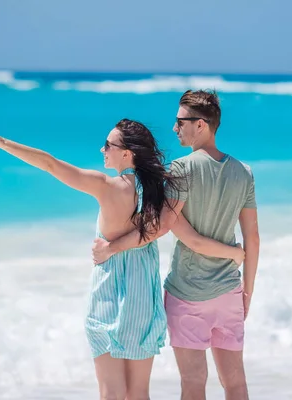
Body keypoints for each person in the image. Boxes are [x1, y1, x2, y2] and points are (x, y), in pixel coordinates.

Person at [0, 118, 245, 400]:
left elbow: (50, 164)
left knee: (111, 393)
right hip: (143, 298)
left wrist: (0, 142)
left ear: (127, 153)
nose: (102, 150)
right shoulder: (159, 190)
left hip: (109, 295)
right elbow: (170, 230)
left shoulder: (107, 186)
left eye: (108, 145)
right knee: (138, 394)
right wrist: (234, 251)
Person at [92, 90, 260, 400]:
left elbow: (165, 228)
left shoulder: (183, 169)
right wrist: (247, 290)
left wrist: (112, 248)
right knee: (235, 381)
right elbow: (253, 238)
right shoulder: (243, 172)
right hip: (230, 291)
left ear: (201, 125)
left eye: (180, 121)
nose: (174, 128)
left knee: (194, 382)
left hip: (188, 293)